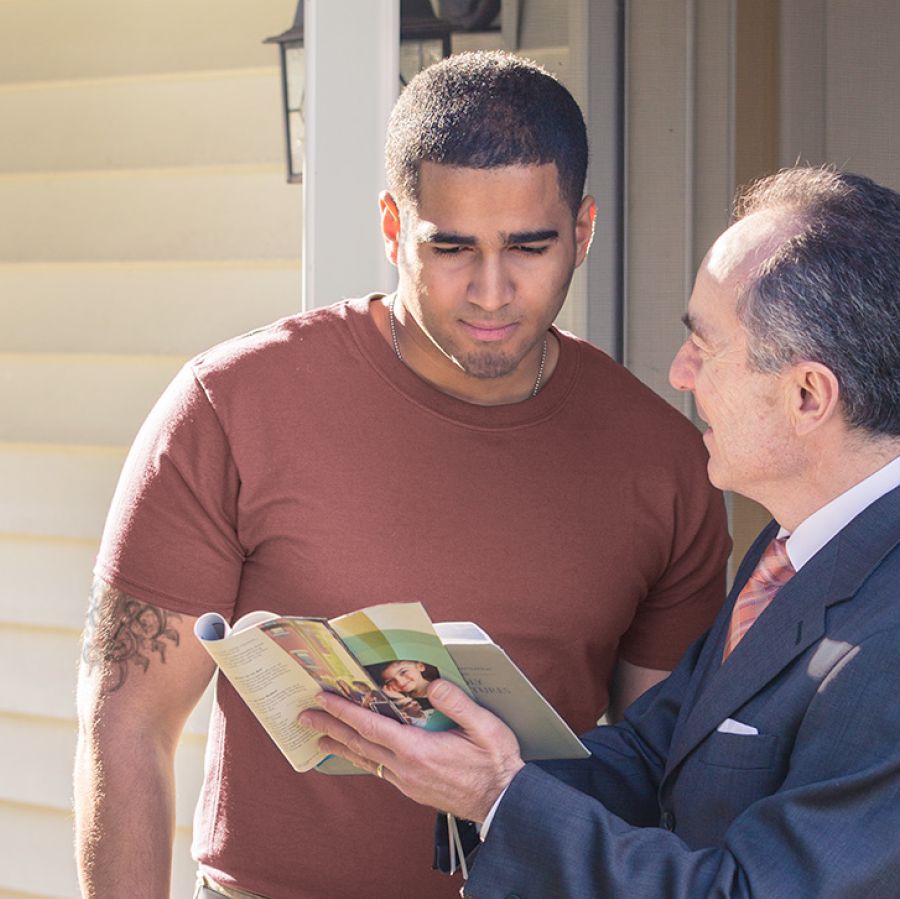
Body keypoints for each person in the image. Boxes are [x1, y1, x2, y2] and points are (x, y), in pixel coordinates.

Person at [73, 51, 729, 899]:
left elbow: (663, 767)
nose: (492, 291)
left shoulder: (662, 459)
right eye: (451, 247)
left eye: (530, 247)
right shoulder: (231, 406)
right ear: (392, 226)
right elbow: (126, 722)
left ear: (585, 229)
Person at [302, 165, 900, 897]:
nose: (680, 373)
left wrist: (499, 798)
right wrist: (458, 748)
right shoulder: (790, 552)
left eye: (704, 346)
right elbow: (657, 755)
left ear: (809, 394)